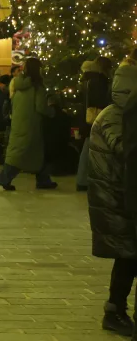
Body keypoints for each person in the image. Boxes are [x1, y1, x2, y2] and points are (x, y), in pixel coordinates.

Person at [87, 56, 137, 336]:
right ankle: (114, 310)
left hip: (119, 196)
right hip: (117, 198)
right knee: (129, 254)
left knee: (129, 255)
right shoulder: (117, 114)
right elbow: (125, 149)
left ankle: (115, 308)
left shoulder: (117, 110)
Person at [0, 58, 58, 191]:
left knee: (21, 152)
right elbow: (41, 107)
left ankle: (43, 179)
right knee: (26, 154)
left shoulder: (18, 84)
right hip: (32, 125)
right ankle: (4, 178)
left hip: (18, 123)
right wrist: (52, 111)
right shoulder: (37, 87)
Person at [79, 57, 115, 192]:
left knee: (88, 146)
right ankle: (83, 180)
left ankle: (83, 179)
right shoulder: (98, 80)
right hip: (96, 117)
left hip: (88, 117)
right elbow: (99, 100)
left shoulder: (88, 78)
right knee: (90, 147)